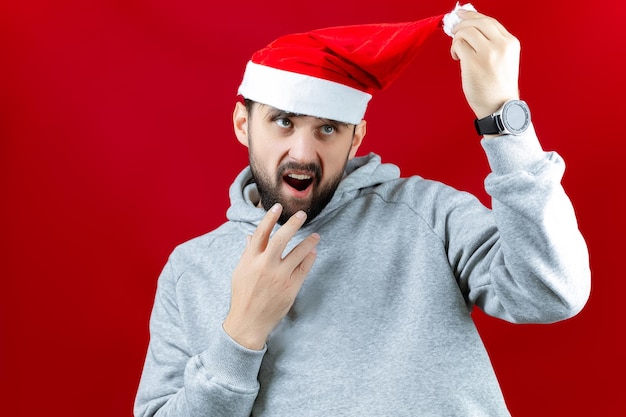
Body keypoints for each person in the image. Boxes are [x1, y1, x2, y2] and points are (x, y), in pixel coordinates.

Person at [134, 4, 591, 416]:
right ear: (242, 124)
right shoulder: (190, 270)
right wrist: (240, 335)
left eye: (328, 129)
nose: (302, 152)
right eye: (283, 121)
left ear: (355, 139)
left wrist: (502, 120)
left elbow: (551, 291)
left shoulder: (425, 213)